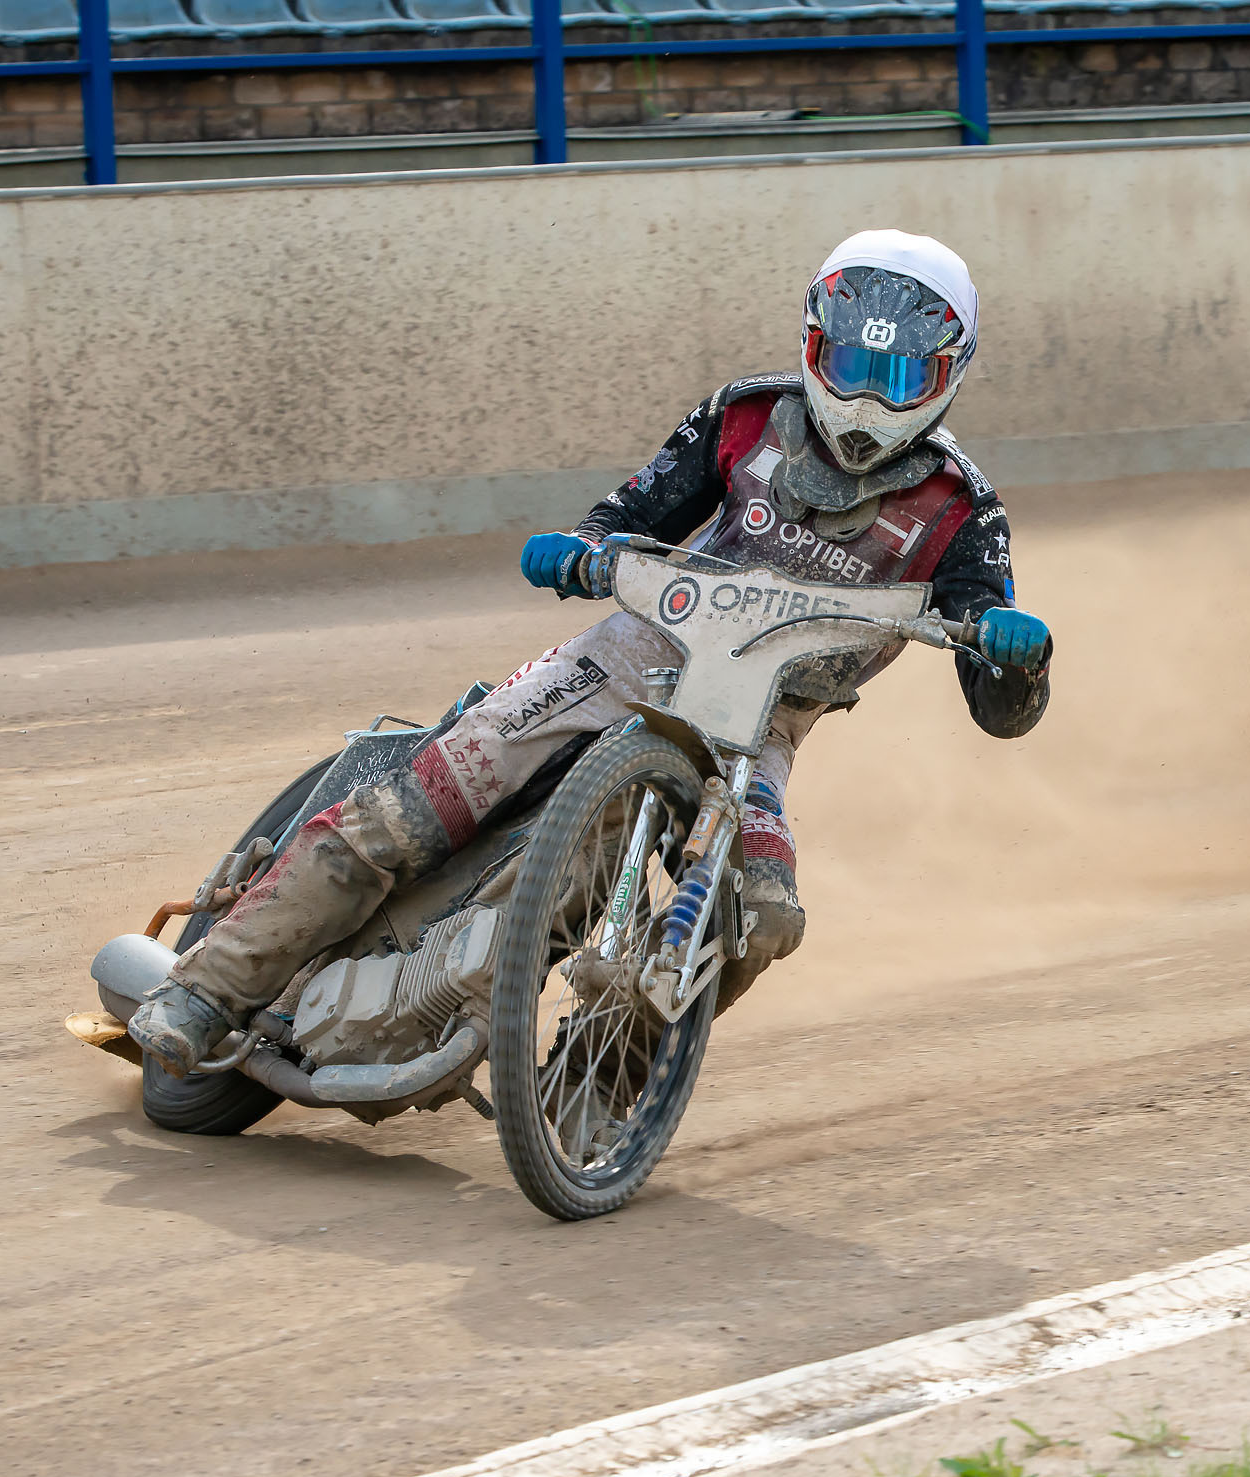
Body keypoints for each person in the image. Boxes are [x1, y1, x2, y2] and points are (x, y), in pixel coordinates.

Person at [132, 230, 1053, 1076]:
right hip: (624, 654)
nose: (863, 396)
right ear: (815, 346)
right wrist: (581, 550)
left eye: (894, 376)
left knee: (764, 914)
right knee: (423, 802)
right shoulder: (744, 416)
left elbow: (999, 707)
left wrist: (1015, 656)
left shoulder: (962, 511)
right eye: (849, 363)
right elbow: (627, 517)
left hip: (758, 727)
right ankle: (203, 991)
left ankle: (600, 1085)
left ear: (945, 374)